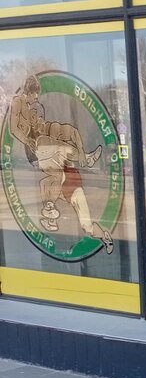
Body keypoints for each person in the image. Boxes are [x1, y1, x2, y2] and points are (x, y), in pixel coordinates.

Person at [9, 75, 111, 253]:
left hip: (72, 186)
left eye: (39, 117)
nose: (37, 120)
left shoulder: (48, 129)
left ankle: (104, 236)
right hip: (51, 168)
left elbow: (71, 131)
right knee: (52, 169)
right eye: (34, 116)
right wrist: (27, 140)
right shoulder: (19, 104)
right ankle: (50, 213)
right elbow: (14, 128)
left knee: (87, 226)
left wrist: (81, 151)